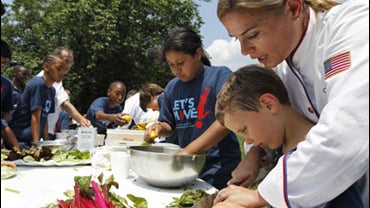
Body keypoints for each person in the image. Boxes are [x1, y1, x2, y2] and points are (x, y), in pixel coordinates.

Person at [214, 0, 369, 207]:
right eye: (237, 39)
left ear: (293, 8)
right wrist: (255, 153)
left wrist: (262, 196)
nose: (243, 50)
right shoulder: (282, 66)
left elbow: (347, 135)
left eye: (252, 35)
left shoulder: (353, 25)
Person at [212, 65, 363, 207]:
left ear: (269, 104)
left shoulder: (319, 164)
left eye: (244, 129)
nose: (248, 140)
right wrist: (255, 155)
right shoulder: (281, 148)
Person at [145, 27, 241, 189]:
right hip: (187, 166)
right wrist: (159, 127)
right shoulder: (172, 87)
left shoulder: (219, 76)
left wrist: (187, 152)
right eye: (171, 65)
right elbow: (169, 125)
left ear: (197, 54)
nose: (176, 70)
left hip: (219, 166)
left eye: (181, 63)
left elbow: (227, 119)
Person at [9, 50, 67, 149]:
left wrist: (46, 143)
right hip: (21, 141)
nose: (62, 73)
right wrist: (36, 145)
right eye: (58, 69)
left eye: (64, 69)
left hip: (32, 141)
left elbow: (44, 118)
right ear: (46, 67)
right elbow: (35, 117)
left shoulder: (51, 90)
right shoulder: (38, 85)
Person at [36, 47, 91, 139]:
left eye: (71, 62)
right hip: (36, 132)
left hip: (47, 130)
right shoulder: (41, 82)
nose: (68, 65)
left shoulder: (55, 82)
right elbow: (64, 104)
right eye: (66, 61)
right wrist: (82, 120)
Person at [1, 39, 21, 151]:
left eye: (4, 63)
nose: (1, 66)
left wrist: (17, 149)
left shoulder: (6, 84)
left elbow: (6, 115)